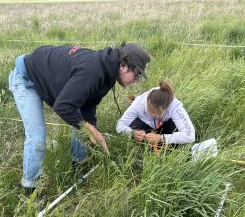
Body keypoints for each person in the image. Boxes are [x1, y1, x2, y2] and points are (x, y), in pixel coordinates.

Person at [8, 42, 150, 196]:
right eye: (136, 74)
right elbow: (63, 107)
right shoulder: (93, 71)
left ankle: (79, 167)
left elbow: (88, 107)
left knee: (84, 124)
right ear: (123, 65)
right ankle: (30, 193)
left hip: (46, 73)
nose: (136, 80)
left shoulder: (108, 73)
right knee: (37, 139)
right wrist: (90, 130)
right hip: (27, 78)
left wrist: (92, 131)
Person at [116, 81, 195, 150]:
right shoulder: (138, 103)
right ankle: (142, 150)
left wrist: (162, 138)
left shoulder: (175, 106)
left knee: (174, 127)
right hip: (145, 129)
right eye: (150, 111)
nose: (153, 115)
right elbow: (120, 125)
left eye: (157, 114)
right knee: (134, 125)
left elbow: (190, 135)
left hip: (164, 129)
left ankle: (166, 150)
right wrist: (132, 133)